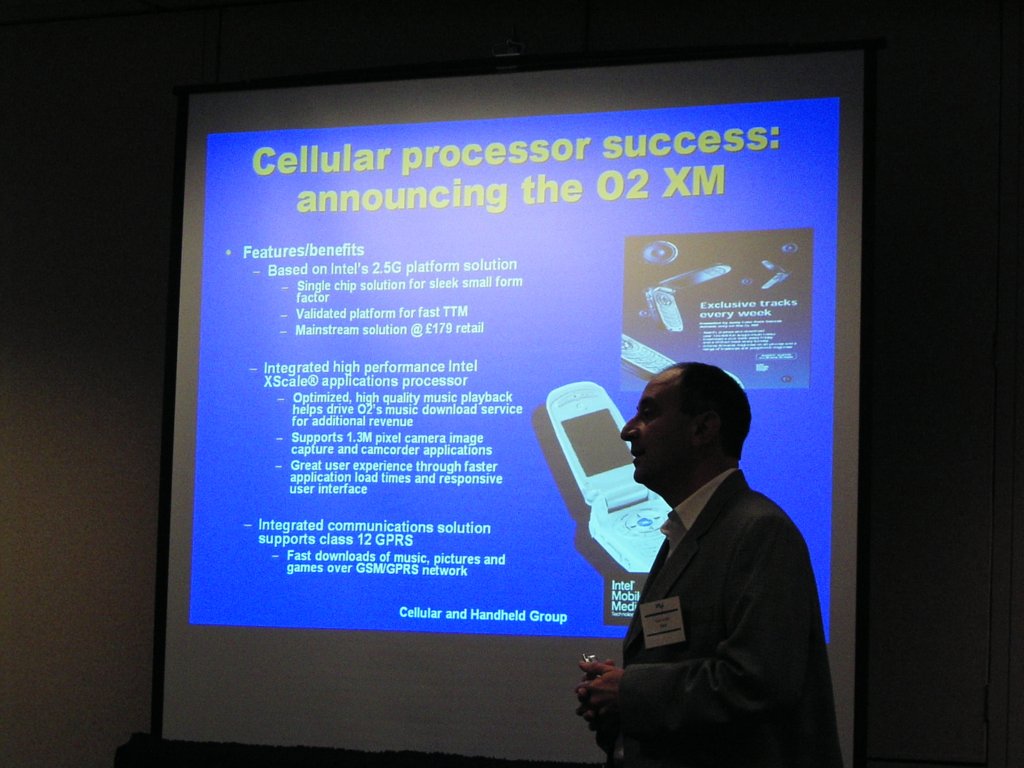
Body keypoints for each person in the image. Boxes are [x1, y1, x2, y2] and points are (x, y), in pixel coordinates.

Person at [574, 362, 842, 768]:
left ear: (703, 429)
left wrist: (629, 691)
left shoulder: (760, 531)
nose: (626, 430)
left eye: (648, 414)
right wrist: (617, 708)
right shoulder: (685, 530)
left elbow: (758, 683)